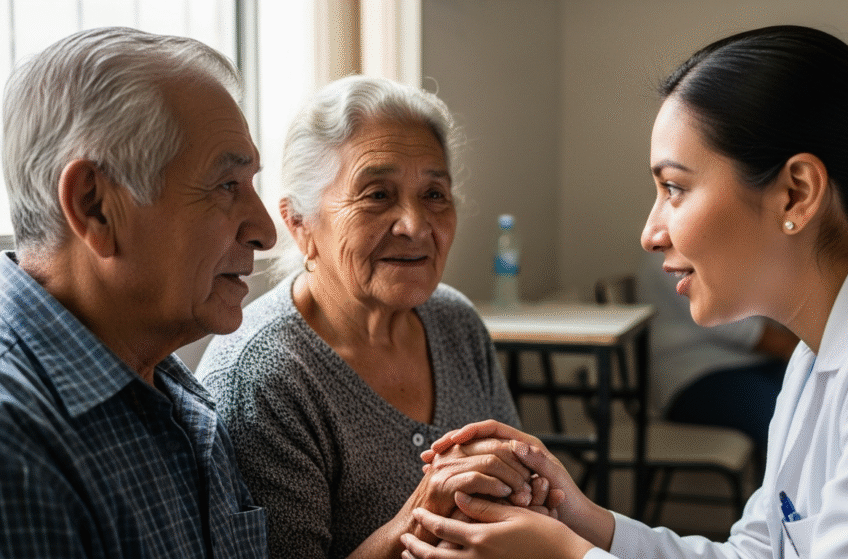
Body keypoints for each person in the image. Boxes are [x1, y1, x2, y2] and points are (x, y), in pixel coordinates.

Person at [402, 25, 848, 559]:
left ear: (796, 193)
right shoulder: (823, 348)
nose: (650, 232)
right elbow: (756, 551)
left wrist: (566, 556)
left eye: (674, 188)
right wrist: (579, 518)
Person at [197, 75, 539, 559]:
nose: (416, 225)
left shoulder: (454, 321)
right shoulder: (263, 378)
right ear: (299, 223)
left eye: (434, 194)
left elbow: (524, 499)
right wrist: (419, 517)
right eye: (377, 194)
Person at [0, 27, 277, 557]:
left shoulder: (177, 393)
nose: (264, 231)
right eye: (226, 186)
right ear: (94, 206)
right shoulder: (16, 448)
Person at [637, 251, 797, 456]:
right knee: (789, 419)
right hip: (692, 377)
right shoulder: (667, 254)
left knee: (816, 398)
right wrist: (792, 345)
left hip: (748, 363)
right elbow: (719, 318)